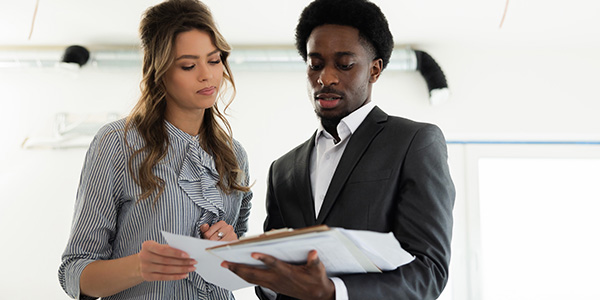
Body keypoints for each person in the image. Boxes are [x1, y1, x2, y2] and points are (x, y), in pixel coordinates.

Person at [221, 0, 455, 299]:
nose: (325, 78)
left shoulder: (414, 142)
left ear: (375, 70)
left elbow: (429, 271)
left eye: (344, 65)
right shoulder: (283, 169)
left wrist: (334, 292)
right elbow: (274, 276)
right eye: (315, 64)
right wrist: (265, 280)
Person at [58, 0, 252, 299]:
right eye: (188, 65)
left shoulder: (234, 154)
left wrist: (230, 249)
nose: (207, 75)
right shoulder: (117, 143)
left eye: (214, 61)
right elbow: (75, 272)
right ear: (158, 71)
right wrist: (139, 266)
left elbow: (235, 267)